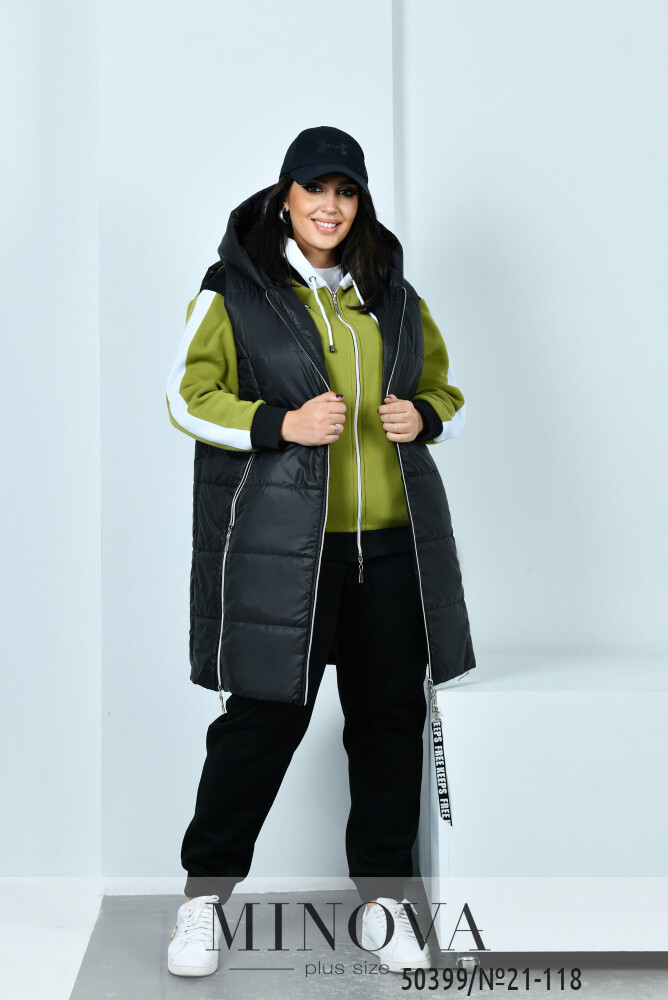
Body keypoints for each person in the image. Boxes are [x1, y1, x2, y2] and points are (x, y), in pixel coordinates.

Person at [164, 125, 476, 977]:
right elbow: (187, 399)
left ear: (359, 203)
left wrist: (426, 415)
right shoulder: (234, 291)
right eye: (316, 189)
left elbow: (443, 387)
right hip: (286, 553)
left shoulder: (393, 296)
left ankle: (383, 903)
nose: (330, 207)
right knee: (262, 723)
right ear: (286, 196)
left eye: (346, 192)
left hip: (392, 550)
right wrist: (281, 424)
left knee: (388, 724)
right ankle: (203, 902)